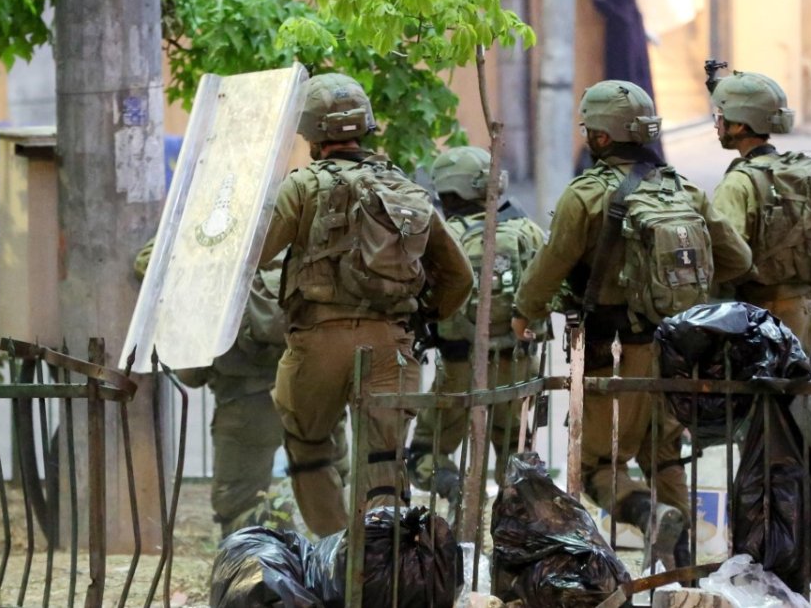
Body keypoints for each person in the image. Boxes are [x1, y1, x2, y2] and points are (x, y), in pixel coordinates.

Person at [512, 80, 752, 569]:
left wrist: (524, 312)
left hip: (613, 351)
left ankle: (649, 516)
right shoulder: (682, 188)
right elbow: (736, 259)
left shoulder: (586, 196)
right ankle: (683, 572)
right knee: (663, 457)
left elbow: (552, 264)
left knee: (600, 464)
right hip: (678, 350)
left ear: (601, 138)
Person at [259, 72, 473, 537]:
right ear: (365, 127)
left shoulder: (302, 187)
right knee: (383, 458)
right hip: (391, 344)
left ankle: (338, 555)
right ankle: (383, 566)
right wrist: (421, 318)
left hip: (318, 340)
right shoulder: (402, 189)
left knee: (308, 444)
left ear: (313, 134)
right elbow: (460, 277)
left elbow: (257, 253)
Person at [709, 69, 811, 582]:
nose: (717, 124)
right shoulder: (794, 172)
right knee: (791, 430)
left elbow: (725, 256)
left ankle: (782, 552)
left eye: (723, 117)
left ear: (739, 125)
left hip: (764, 320)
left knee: (777, 438)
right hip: (802, 313)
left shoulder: (740, 183)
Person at [405, 146, 548, 501]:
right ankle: (519, 524)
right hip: (519, 365)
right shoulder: (528, 229)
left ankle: (458, 494)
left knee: (424, 453)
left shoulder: (445, 237)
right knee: (517, 463)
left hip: (459, 368)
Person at [134, 243, 295, 538]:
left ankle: (253, 573)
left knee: (239, 506)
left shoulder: (211, 248)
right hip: (311, 393)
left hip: (244, 403)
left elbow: (147, 262)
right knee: (326, 486)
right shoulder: (298, 235)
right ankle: (320, 571)